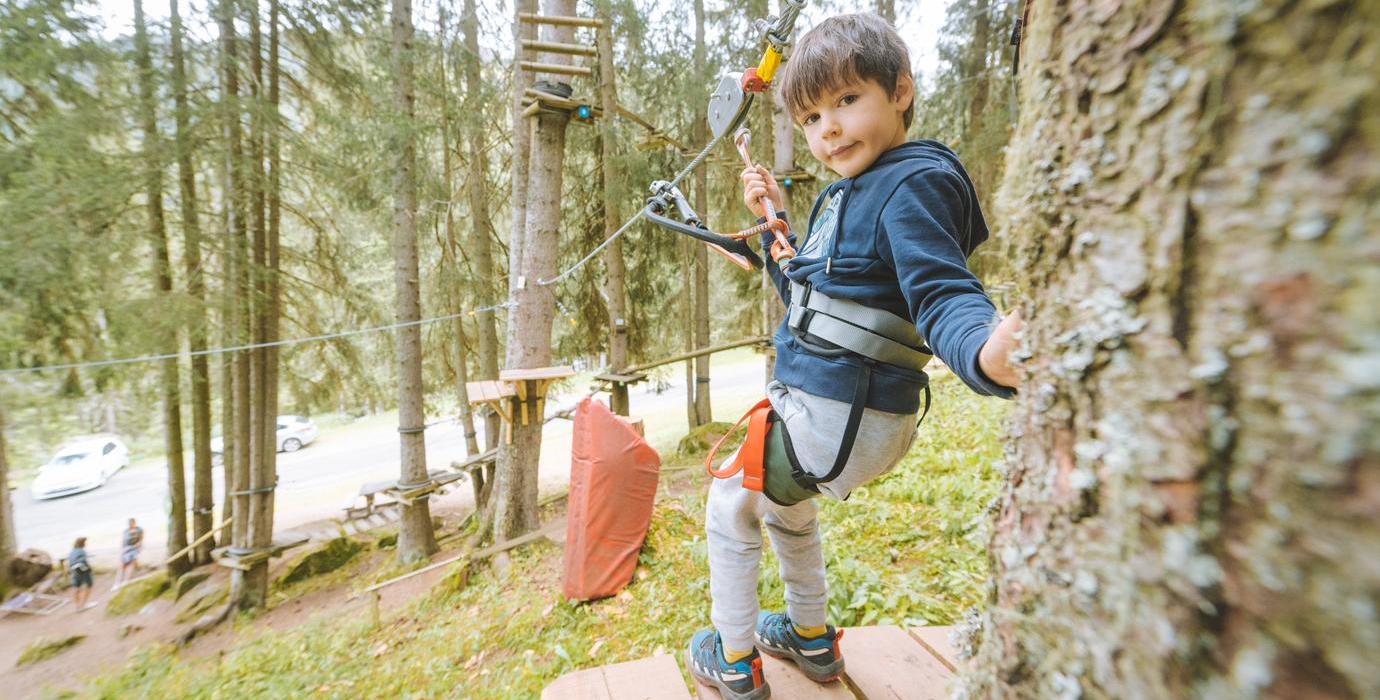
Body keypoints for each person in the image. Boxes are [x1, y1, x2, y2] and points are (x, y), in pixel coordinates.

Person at [684, 13, 1022, 699]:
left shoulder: (909, 184)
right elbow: (822, 299)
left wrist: (984, 350)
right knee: (784, 508)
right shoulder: (860, 192)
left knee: (729, 497)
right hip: (852, 412)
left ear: (900, 91)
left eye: (846, 101)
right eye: (810, 118)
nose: (828, 130)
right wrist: (773, 225)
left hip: (838, 412)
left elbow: (941, 288)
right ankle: (812, 640)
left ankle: (734, 657)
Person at [114, 517, 143, 590]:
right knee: (121, 565)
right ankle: (117, 583)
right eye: (130, 524)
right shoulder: (126, 531)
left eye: (132, 523)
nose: (131, 525)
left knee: (131, 564)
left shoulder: (139, 530)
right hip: (126, 549)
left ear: (134, 523)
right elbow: (123, 542)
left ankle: (126, 581)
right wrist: (122, 551)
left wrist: (137, 546)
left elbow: (140, 540)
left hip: (134, 548)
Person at [67, 537, 95, 611]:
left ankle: (77, 606)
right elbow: (84, 562)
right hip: (81, 568)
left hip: (74, 569)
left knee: (76, 587)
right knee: (89, 585)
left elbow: (69, 563)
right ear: (83, 543)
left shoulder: (72, 552)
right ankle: (83, 605)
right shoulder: (82, 551)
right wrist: (90, 570)